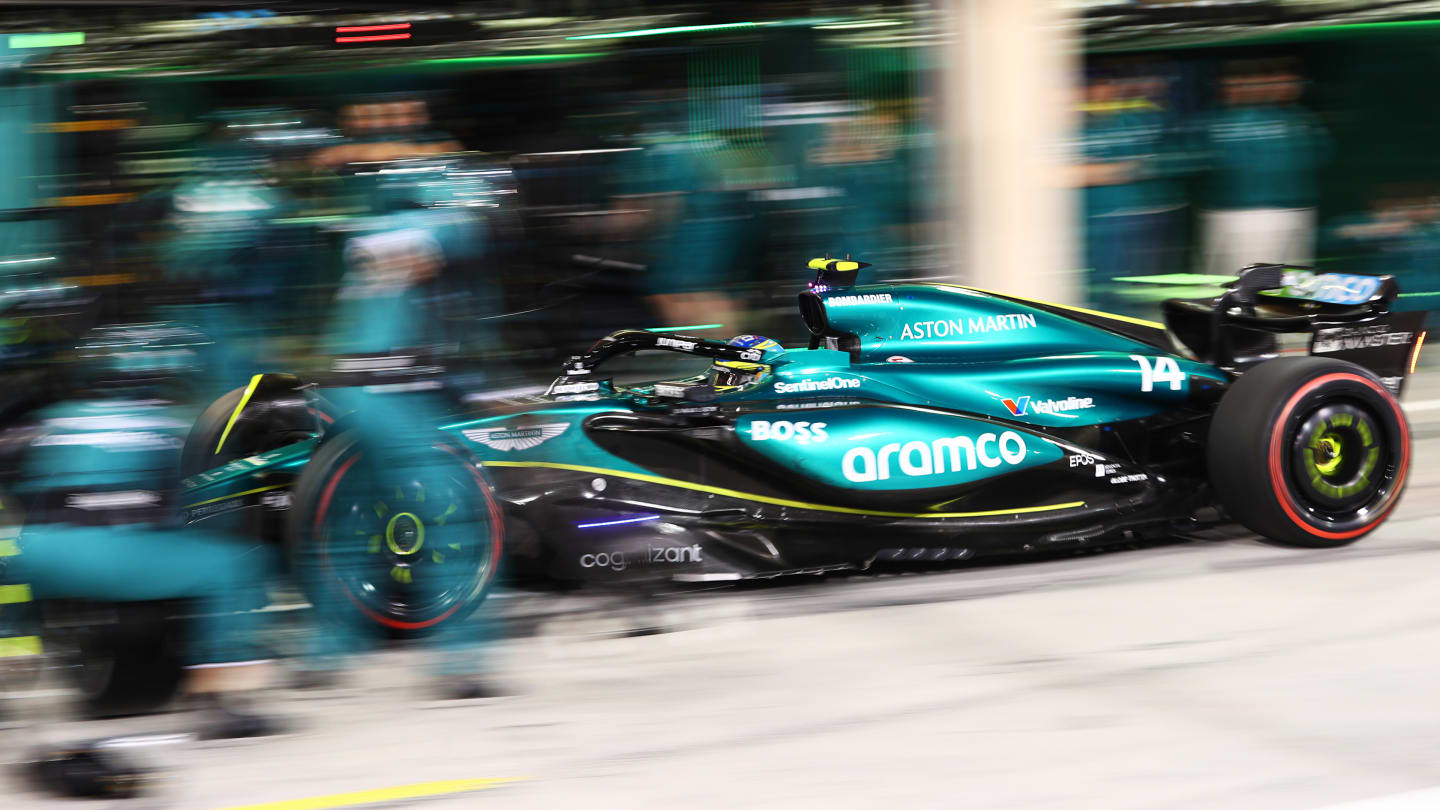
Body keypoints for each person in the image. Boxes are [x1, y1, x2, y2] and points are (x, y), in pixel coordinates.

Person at [1, 325, 281, 739]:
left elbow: (23, 491)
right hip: (134, 558)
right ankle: (219, 699)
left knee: (8, 564)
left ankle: (9, 660)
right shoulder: (164, 423)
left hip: (49, 554)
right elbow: (194, 495)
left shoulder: (50, 423)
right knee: (239, 564)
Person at [1198, 59, 1332, 275]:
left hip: (1292, 213)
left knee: (1287, 286)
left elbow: (1322, 155)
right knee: (1248, 285)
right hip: (1245, 217)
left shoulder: (1299, 117)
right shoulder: (1229, 120)